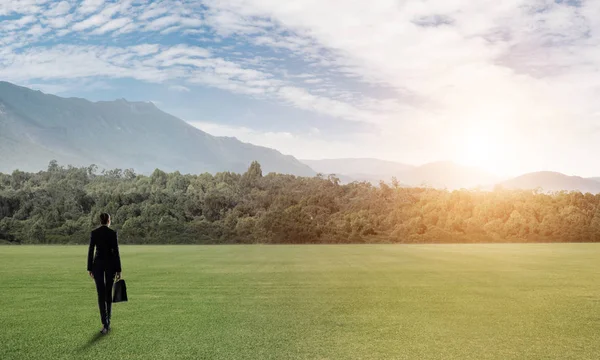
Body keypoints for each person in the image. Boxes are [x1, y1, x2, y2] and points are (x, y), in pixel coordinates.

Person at [87, 213, 122, 334]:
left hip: (97, 266)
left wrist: (89, 268)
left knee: (100, 295)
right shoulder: (112, 234)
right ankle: (108, 322)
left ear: (100, 221)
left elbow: (91, 251)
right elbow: (116, 252)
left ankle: (104, 323)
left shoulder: (94, 233)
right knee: (108, 294)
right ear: (108, 221)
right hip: (110, 266)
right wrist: (118, 269)